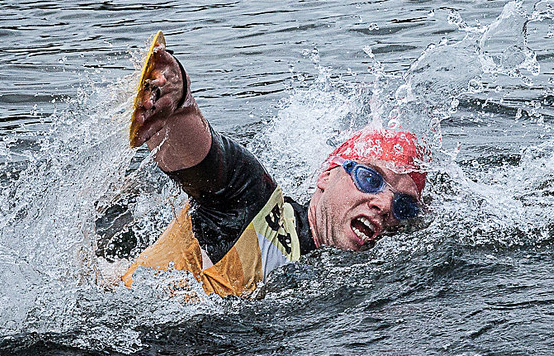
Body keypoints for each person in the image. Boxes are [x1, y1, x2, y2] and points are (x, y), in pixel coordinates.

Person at [120, 35, 429, 297]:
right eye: (370, 178)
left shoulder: (359, 281)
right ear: (326, 174)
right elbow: (206, 162)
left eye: (405, 206)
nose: (386, 204)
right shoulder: (255, 204)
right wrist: (177, 102)